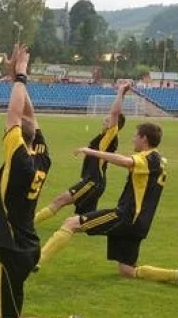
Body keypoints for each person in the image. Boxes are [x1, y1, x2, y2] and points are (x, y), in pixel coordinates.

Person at [0, 44, 95, 318]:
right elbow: (29, 115)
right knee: (5, 286)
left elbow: (16, 114)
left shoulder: (19, 159)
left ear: (16, 135)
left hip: (13, 248)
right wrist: (14, 74)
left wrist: (22, 76)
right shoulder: (42, 157)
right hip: (28, 244)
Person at [36, 122, 178, 292]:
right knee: (127, 270)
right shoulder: (156, 160)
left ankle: (36, 261)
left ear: (144, 138)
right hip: (139, 223)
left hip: (127, 217)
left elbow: (125, 161)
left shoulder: (150, 158)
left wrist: (91, 151)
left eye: (135, 136)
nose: (133, 139)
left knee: (71, 223)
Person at [34, 82, 130, 225]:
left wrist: (120, 93)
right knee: (82, 221)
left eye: (108, 120)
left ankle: (28, 223)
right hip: (94, 181)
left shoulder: (110, 136)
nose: (105, 120)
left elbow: (115, 113)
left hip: (92, 181)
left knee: (60, 200)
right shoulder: (103, 138)